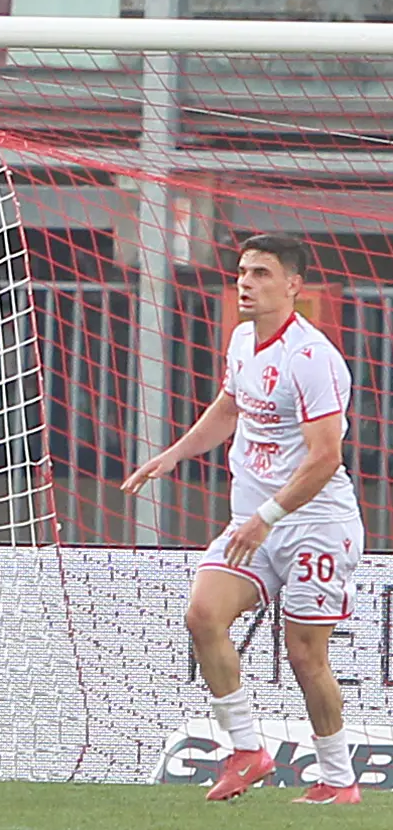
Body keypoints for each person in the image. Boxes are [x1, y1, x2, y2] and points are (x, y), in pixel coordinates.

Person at [122, 234, 363, 805]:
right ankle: (248, 750)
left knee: (305, 654)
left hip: (315, 523)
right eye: (241, 273)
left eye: (260, 274)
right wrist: (174, 454)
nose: (246, 283)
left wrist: (268, 515)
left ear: (293, 285)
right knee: (203, 615)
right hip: (254, 521)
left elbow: (325, 455)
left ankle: (338, 777)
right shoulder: (240, 340)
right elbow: (231, 407)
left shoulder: (313, 357)